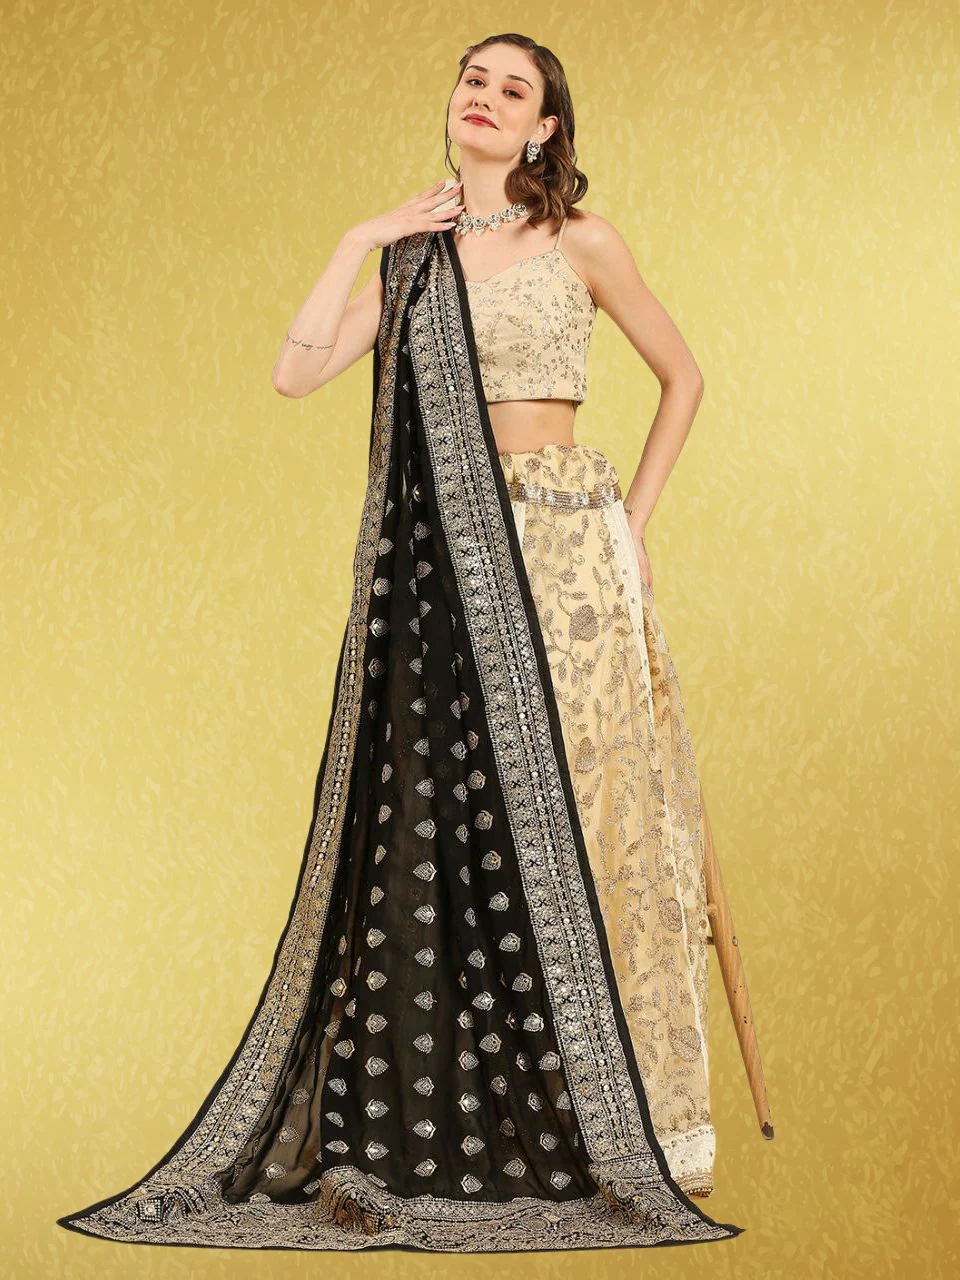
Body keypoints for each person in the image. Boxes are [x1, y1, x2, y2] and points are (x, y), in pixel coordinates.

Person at [57, 33, 745, 1253]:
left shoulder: (584, 240)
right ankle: (487, 1117)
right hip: (442, 568)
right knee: (450, 816)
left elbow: (683, 377)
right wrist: (358, 240)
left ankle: (617, 1121)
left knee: (588, 811)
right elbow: (295, 374)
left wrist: (629, 525)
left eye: (513, 90)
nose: (485, 99)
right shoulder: (413, 266)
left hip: (565, 552)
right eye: (474, 79)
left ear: (544, 127)